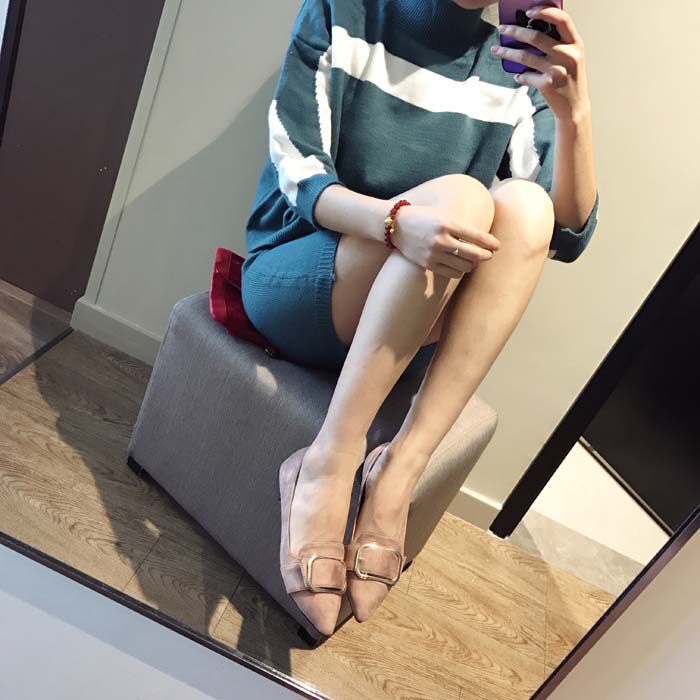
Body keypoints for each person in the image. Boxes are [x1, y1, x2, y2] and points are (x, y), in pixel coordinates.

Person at [241, 0, 599, 636]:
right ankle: (328, 461)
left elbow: (564, 233)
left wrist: (574, 113)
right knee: (463, 196)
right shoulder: (344, 12)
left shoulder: (514, 71)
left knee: (526, 207)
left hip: (408, 318)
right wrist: (397, 224)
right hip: (303, 280)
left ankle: (399, 470)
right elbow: (299, 173)